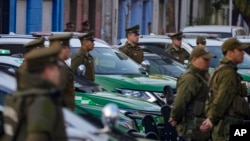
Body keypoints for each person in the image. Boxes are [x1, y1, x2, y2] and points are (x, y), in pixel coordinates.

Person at [2, 46, 67, 141]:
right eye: (57, 68)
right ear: (47, 71)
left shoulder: (20, 94)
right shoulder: (42, 101)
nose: (59, 72)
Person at [200, 38, 249, 141]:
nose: (243, 53)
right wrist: (212, 119)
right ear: (230, 52)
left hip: (223, 123)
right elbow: (223, 97)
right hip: (227, 124)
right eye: (239, 50)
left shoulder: (220, 69)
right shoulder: (228, 73)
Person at [168, 47, 215, 141]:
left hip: (201, 126)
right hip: (191, 127)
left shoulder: (204, 75)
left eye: (209, 59)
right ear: (194, 59)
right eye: (205, 59)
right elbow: (180, 102)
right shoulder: (190, 78)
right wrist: (175, 117)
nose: (208, 62)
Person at [48, 33, 75, 110]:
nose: (70, 50)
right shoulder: (61, 67)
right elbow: (58, 92)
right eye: (68, 47)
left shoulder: (53, 63)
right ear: (62, 49)